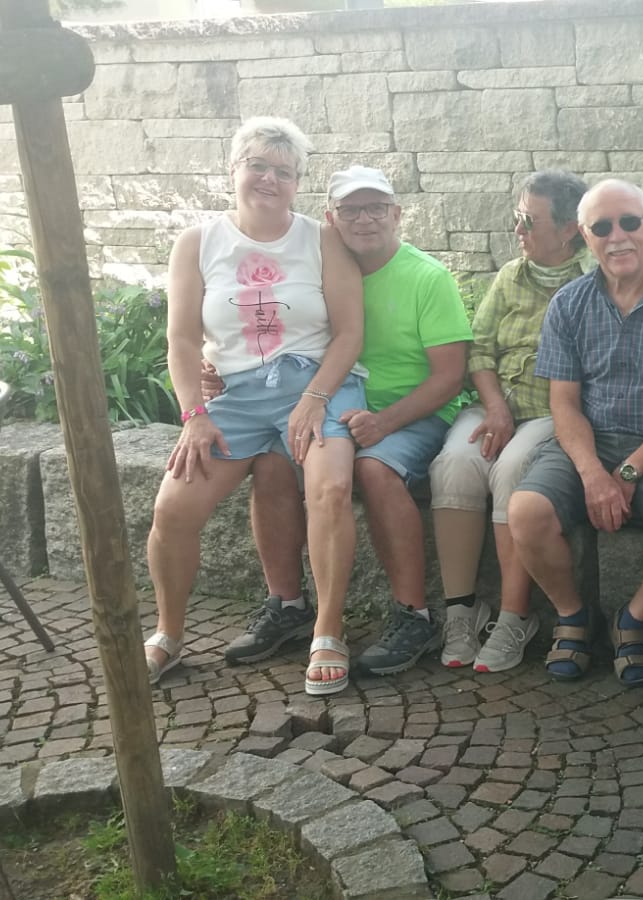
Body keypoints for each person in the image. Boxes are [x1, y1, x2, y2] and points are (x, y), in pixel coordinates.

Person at [212, 165, 472, 686]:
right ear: (330, 219)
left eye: (377, 208)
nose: (365, 219)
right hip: (331, 407)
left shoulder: (427, 277)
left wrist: (385, 421)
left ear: (397, 215)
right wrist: (212, 366)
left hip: (410, 412)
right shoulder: (309, 269)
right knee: (272, 462)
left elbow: (449, 377)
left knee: (375, 470)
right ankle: (286, 605)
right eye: (351, 209)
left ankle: (413, 616)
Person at [143, 117, 365, 695]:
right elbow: (183, 341)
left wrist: (316, 399)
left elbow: (349, 333)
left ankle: (327, 630)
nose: (269, 179)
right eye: (258, 166)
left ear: (297, 183)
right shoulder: (198, 242)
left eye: (284, 172)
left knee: (331, 488)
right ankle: (167, 636)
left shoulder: (321, 239)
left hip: (317, 383)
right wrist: (194, 416)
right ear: (234, 170)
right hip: (234, 396)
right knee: (174, 507)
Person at [507, 179, 643, 686]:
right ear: (584, 235)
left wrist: (628, 471)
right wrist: (593, 474)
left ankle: (632, 620)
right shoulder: (569, 304)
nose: (618, 237)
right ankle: (573, 617)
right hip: (591, 439)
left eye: (629, 222)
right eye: (602, 227)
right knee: (525, 510)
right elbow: (563, 404)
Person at [428, 170, 596, 673]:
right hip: (497, 403)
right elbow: (479, 347)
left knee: (513, 468)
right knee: (455, 462)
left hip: (553, 412)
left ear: (568, 229)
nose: (517, 230)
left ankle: (514, 614)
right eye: (516, 217)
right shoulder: (510, 275)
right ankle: (462, 610)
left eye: (528, 220)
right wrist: (495, 405)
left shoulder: (592, 283)